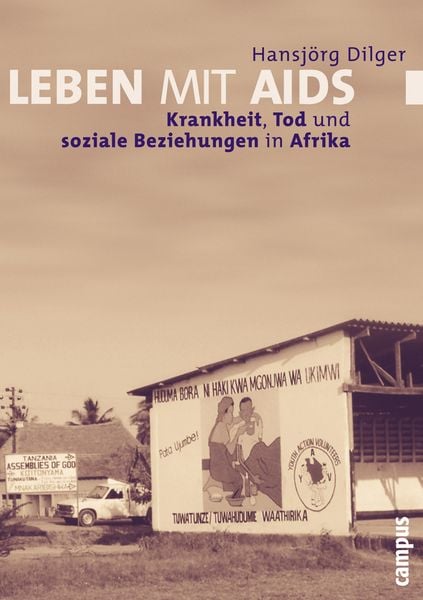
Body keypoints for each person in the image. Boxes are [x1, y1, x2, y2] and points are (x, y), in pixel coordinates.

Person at [207, 396, 248, 505]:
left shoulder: (221, 424)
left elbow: (233, 421)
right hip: (219, 468)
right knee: (239, 481)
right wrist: (238, 434)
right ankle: (213, 483)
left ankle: (213, 482)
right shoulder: (221, 428)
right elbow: (230, 450)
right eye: (230, 412)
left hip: (219, 464)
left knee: (239, 477)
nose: (232, 415)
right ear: (223, 414)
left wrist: (243, 416)